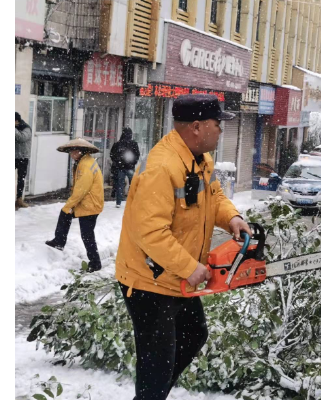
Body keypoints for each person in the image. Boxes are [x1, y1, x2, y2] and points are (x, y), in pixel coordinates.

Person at [115, 94, 253, 400]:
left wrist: (232, 218)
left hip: (175, 277)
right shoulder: (162, 167)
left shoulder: (201, 160)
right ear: (196, 126)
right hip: (148, 281)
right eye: (217, 125)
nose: (221, 131)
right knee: (157, 366)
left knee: (193, 335)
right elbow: (149, 232)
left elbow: (214, 197)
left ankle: (154, 393)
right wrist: (191, 268)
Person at [45, 139, 105, 273]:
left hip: (89, 204)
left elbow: (81, 190)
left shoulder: (85, 165)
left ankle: (95, 263)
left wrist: (70, 204)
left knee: (87, 234)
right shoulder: (84, 162)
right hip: (88, 202)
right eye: (71, 152)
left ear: (81, 151)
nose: (71, 154)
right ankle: (59, 241)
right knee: (66, 215)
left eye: (73, 151)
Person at [110, 127, 140, 207]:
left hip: (120, 167)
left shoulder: (118, 144)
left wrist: (117, 162)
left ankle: (118, 202)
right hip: (130, 167)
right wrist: (133, 162)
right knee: (133, 184)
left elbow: (112, 154)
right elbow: (137, 154)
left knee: (120, 185)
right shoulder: (133, 144)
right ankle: (133, 200)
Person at [15, 112, 32, 210]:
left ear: (17, 121)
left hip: (23, 157)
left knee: (21, 179)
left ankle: (19, 200)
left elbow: (21, 138)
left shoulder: (26, 128)